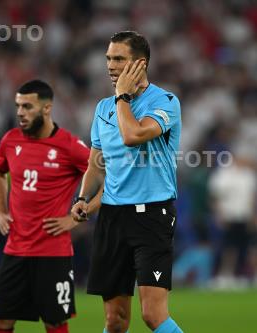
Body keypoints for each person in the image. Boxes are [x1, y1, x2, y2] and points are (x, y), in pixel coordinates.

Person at [71, 31, 184, 333]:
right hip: (111, 216)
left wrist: (122, 95)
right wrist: (82, 198)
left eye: (118, 59)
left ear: (140, 64)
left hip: (152, 216)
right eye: (108, 58)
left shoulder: (165, 102)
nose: (109, 65)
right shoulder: (103, 108)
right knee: (115, 320)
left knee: (153, 315)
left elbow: (132, 136)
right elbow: (96, 164)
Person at [0, 80, 100, 333]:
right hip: (15, 250)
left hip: (53, 253)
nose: (20, 112)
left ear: (47, 109)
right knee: (0, 322)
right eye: (18, 106)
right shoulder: (10, 140)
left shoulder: (69, 146)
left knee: (54, 324)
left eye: (27, 106)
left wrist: (78, 216)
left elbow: (111, 180)